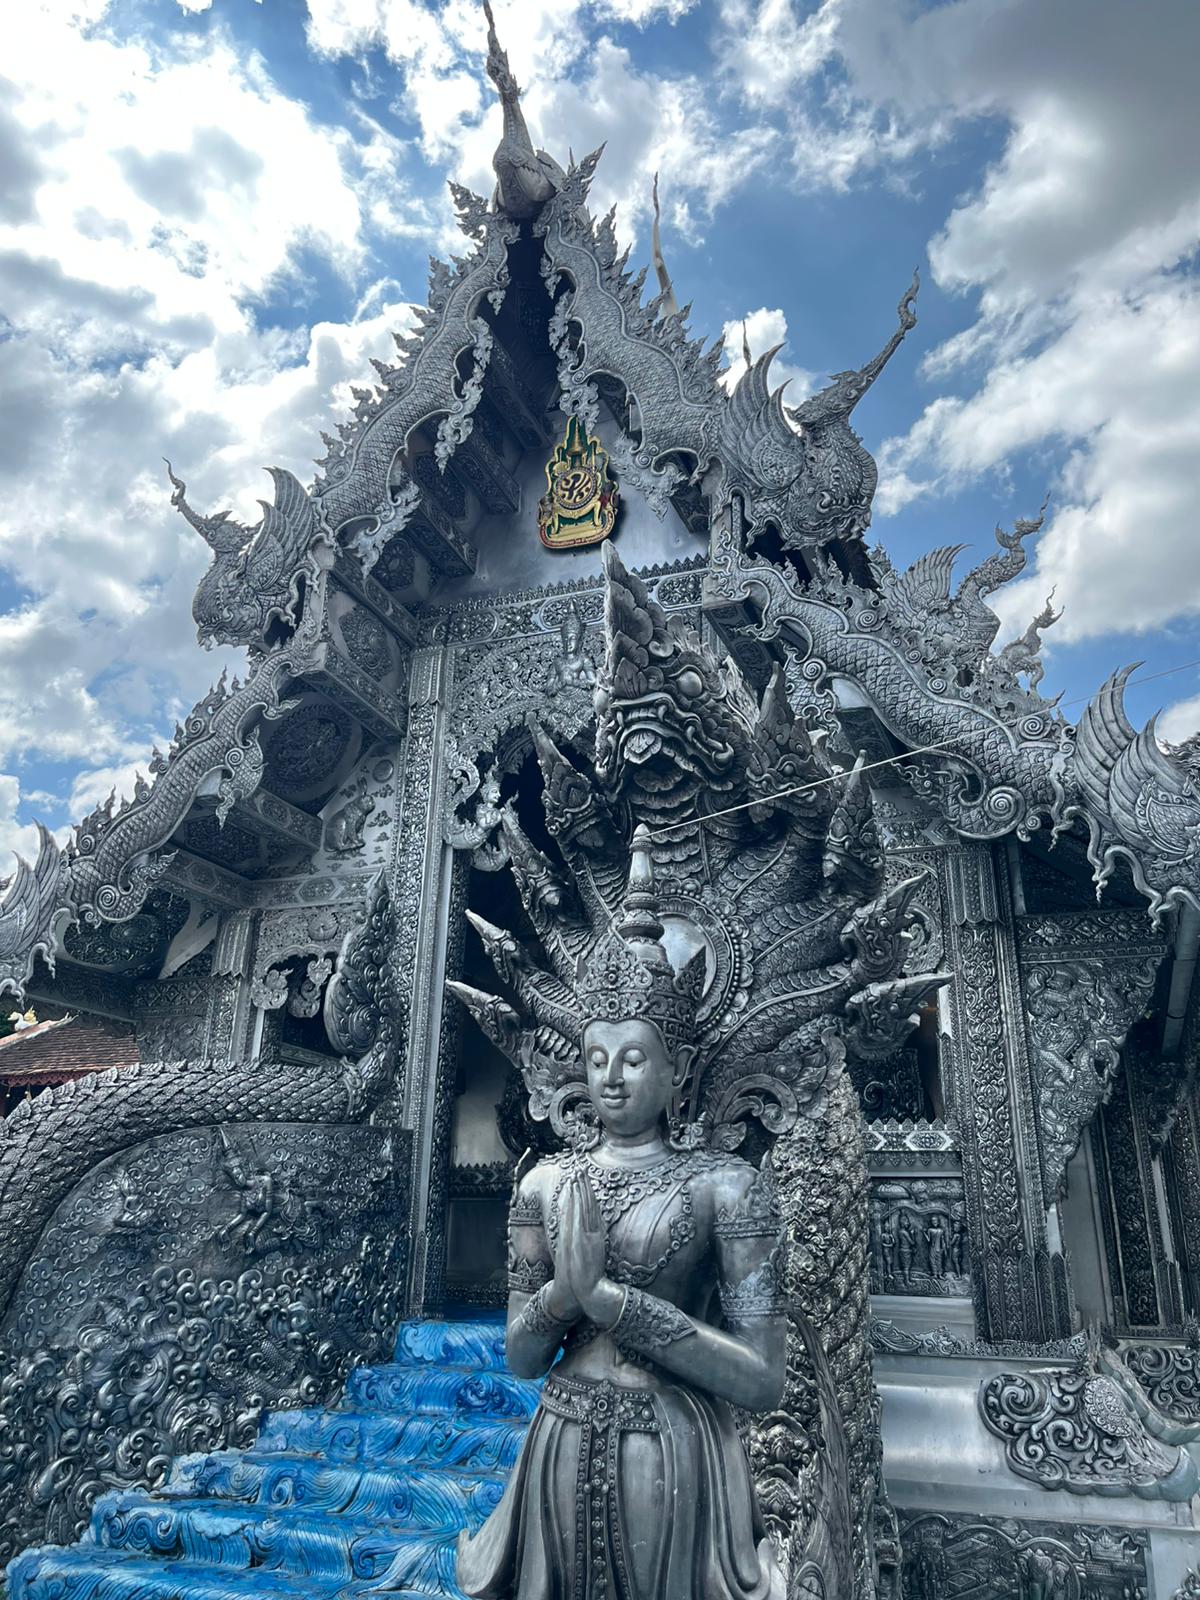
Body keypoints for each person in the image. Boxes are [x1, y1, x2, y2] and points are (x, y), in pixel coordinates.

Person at [457, 877, 787, 1600]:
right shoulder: (544, 1183)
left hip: (672, 1446)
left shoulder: (725, 1187)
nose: (610, 1078)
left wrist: (611, 1304)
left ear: (680, 1071)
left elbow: (763, 1380)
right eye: (598, 1058)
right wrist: (559, 1300)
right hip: (559, 1438)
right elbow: (520, 1356)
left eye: (634, 1059)